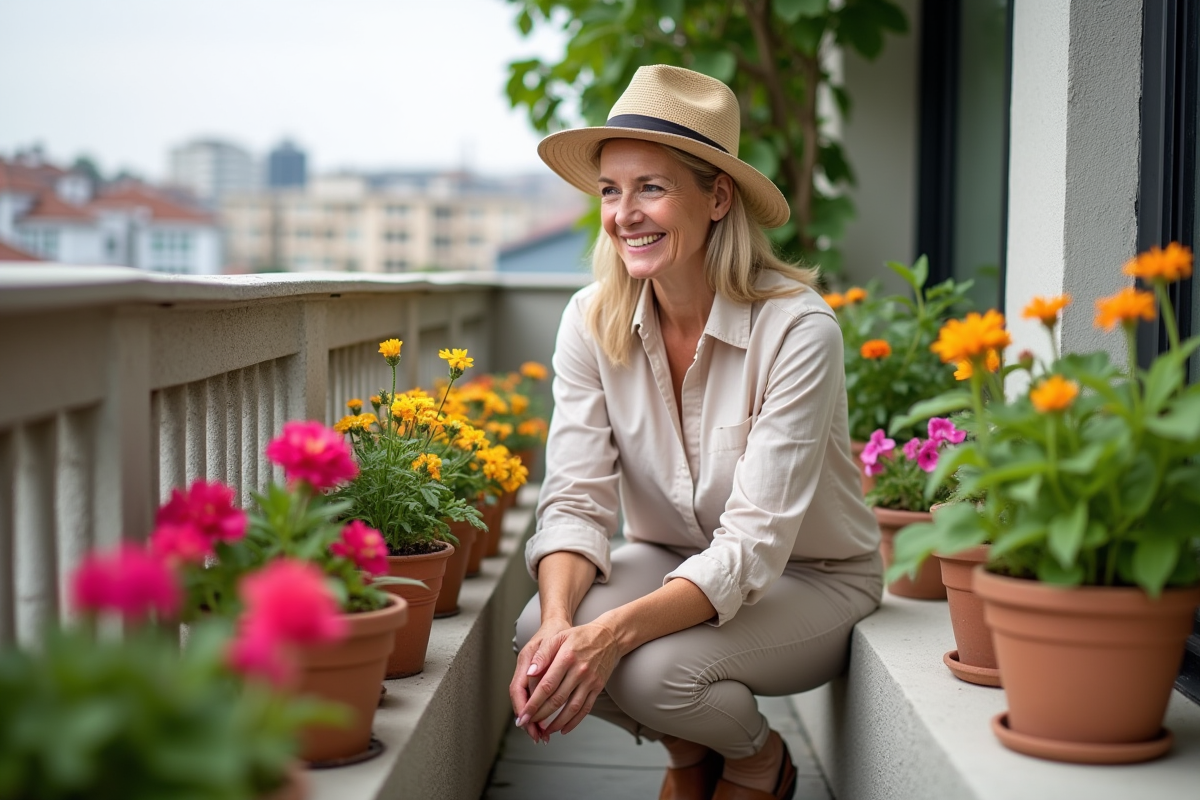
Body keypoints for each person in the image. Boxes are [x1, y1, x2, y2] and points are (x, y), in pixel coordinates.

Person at [510, 64, 881, 800]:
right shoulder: (590, 319)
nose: (624, 215)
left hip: (809, 577)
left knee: (652, 670)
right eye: (611, 191)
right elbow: (577, 500)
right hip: (671, 553)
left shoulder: (798, 328)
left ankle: (754, 759)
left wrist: (608, 635)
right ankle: (691, 753)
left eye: (651, 187)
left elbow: (750, 548)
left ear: (716, 197)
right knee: (534, 639)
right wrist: (562, 624)